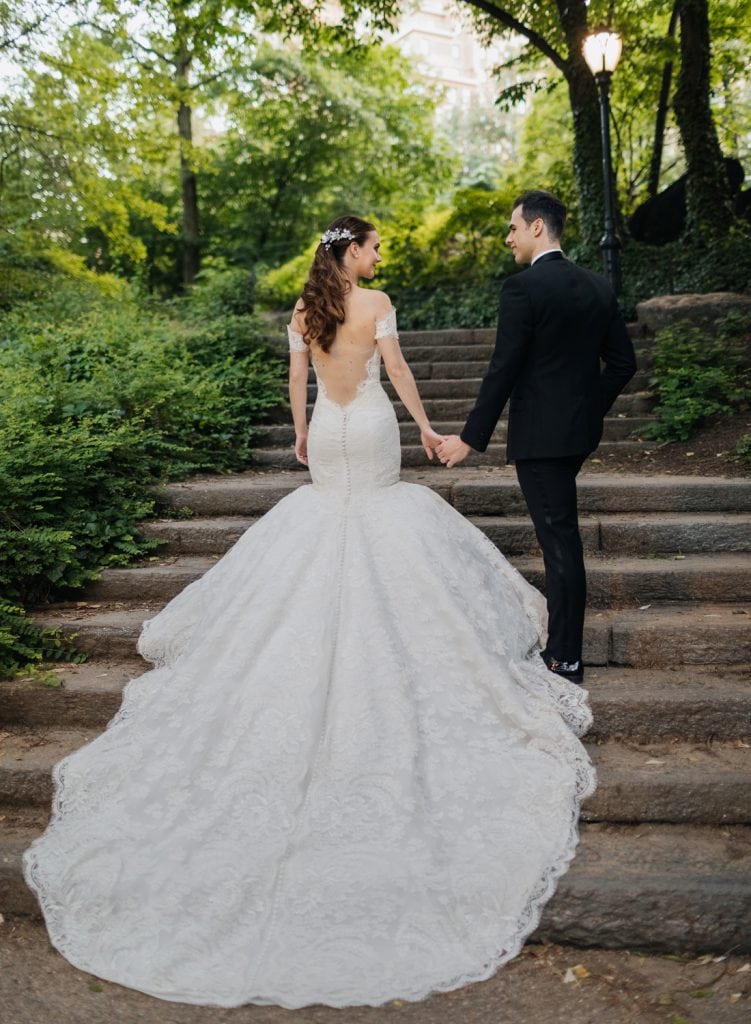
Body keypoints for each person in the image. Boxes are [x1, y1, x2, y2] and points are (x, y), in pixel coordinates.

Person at [23, 215, 595, 1010]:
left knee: (328, 522)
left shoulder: (305, 310)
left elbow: (295, 383)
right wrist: (427, 427)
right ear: (351, 252)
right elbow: (394, 372)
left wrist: (298, 430)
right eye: (371, 245)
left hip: (329, 431)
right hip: (369, 431)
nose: (379, 255)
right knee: (383, 518)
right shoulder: (376, 303)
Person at [437, 191, 637, 685]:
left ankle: (566, 657)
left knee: (561, 545)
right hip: (576, 435)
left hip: (540, 440)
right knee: (562, 537)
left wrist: (469, 439)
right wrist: (587, 409)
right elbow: (623, 364)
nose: (508, 238)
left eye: (512, 228)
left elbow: (503, 369)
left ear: (536, 228)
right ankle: (564, 650)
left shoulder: (521, 289)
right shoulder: (596, 287)